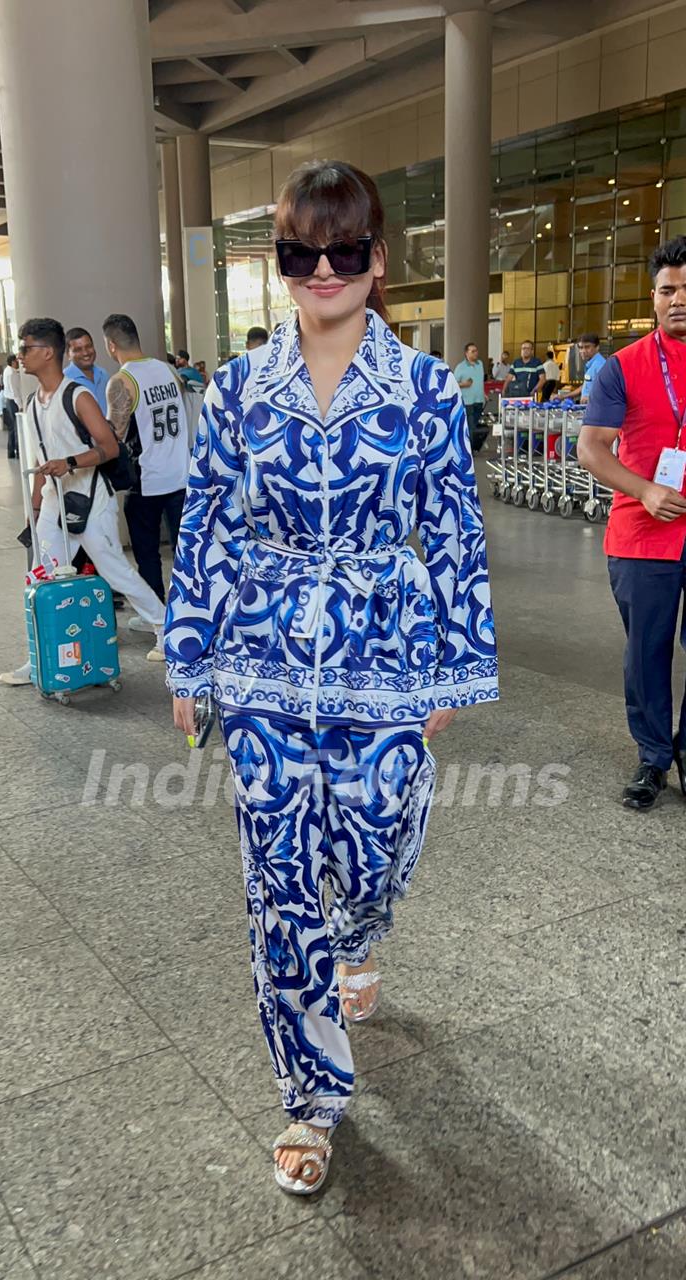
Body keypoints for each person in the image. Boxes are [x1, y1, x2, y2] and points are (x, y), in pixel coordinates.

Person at [165, 159, 498, 1194]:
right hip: (262, 659)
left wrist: (456, 661)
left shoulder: (426, 388)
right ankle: (310, 1097)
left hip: (387, 654)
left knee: (373, 837)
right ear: (281, 264)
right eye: (301, 251)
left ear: (377, 259)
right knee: (278, 880)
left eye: (343, 249)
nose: (322, 269)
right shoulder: (235, 390)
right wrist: (190, 657)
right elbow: (208, 525)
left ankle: (360, 930)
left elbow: (453, 531)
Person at [577, 235, 686, 811]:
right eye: (668, 290)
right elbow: (591, 448)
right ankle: (652, 758)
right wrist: (644, 489)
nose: (678, 299)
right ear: (653, 298)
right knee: (646, 651)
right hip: (643, 534)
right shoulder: (621, 367)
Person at [0, 318, 166, 686]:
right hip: (54, 502)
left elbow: (108, 448)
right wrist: (35, 509)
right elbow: (41, 459)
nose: (21, 355)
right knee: (41, 575)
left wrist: (70, 462)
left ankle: (163, 626)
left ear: (47, 352)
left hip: (91, 500)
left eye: (26, 348)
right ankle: (39, 657)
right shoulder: (33, 401)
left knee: (114, 570)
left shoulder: (78, 396)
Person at [102, 313, 190, 613]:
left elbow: (116, 434)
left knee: (148, 552)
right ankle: (189, 610)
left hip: (147, 480)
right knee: (185, 550)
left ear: (111, 345)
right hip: (180, 474)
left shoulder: (122, 382)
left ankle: (157, 612)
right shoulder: (169, 371)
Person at [63, 327, 110, 414]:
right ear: (68, 355)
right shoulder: (64, 381)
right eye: (78, 350)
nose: (85, 353)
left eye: (88, 346)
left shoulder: (104, 374)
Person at [453, 342, 486, 450]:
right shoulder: (460, 367)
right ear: (466, 353)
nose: (475, 353)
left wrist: (484, 393)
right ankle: (469, 450)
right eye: (472, 351)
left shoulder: (480, 364)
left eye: (476, 351)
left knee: (474, 426)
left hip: (479, 400)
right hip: (467, 401)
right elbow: (453, 383)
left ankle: (470, 447)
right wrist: (464, 384)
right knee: (470, 426)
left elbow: (479, 381)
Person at [574, 333, 606, 404]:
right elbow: (586, 386)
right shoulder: (591, 365)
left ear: (597, 347)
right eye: (581, 347)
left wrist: (590, 398)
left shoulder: (600, 365)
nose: (583, 351)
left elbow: (608, 390)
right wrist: (564, 396)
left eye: (587, 347)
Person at [2, 353, 22, 458]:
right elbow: (15, 391)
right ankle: (18, 451)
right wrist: (20, 405)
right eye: (17, 361)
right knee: (16, 427)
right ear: (13, 362)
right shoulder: (12, 373)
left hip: (9, 401)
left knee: (11, 428)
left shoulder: (7, 371)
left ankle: (11, 452)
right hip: (13, 402)